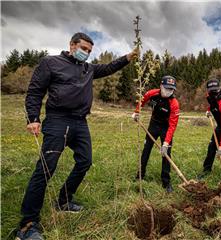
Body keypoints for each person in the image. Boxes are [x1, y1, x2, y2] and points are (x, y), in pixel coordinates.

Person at [16, 32, 138, 240]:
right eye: (84, 49)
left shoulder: (87, 69)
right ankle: (28, 224)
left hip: (80, 122)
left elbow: (108, 68)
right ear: (72, 45)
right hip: (57, 120)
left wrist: (128, 57)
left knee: (85, 161)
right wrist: (33, 118)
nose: (87, 54)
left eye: (90, 51)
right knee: (46, 169)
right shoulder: (51, 63)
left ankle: (63, 200)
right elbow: (35, 91)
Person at [132, 76, 180, 193]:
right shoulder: (152, 93)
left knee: (166, 154)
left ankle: (166, 182)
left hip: (166, 127)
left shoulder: (174, 103)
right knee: (146, 150)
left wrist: (166, 143)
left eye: (171, 90)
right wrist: (137, 112)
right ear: (161, 86)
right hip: (153, 125)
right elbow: (141, 100)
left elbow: (173, 125)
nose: (169, 91)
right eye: (167, 88)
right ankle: (140, 175)